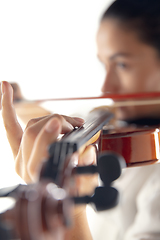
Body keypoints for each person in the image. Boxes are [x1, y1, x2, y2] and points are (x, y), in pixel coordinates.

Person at [1, 0, 160, 239]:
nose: (106, 87)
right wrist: (20, 104)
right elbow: (67, 121)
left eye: (122, 64)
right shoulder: (118, 118)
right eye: (104, 64)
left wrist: (71, 215)